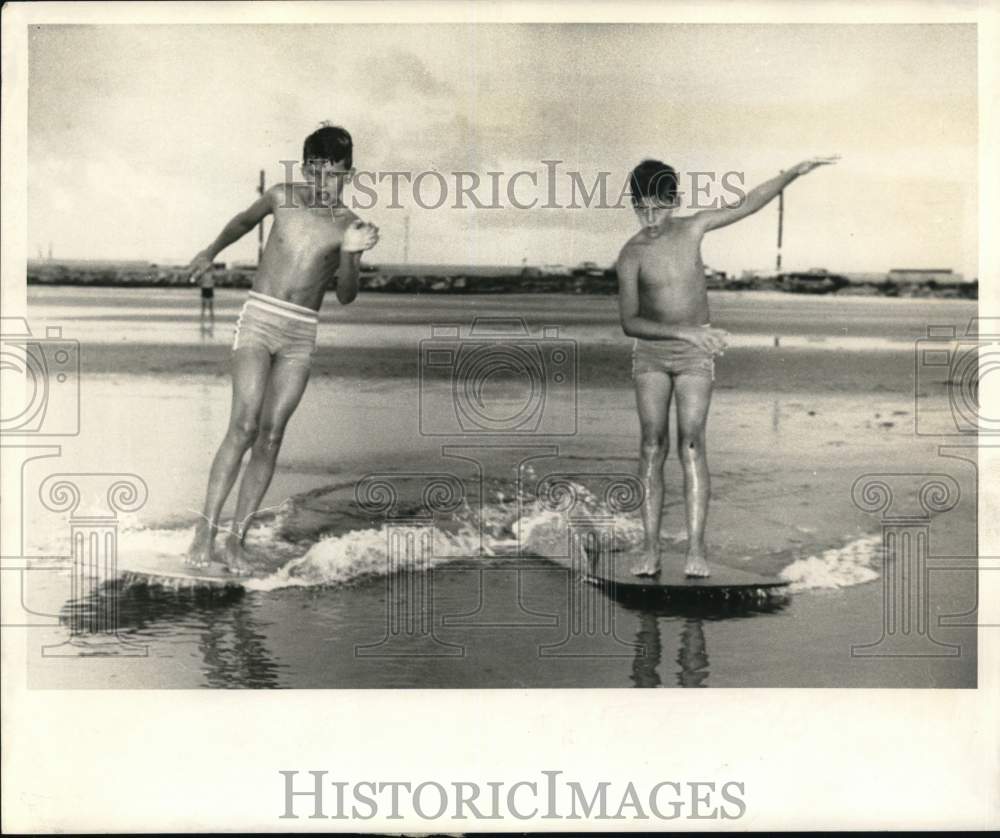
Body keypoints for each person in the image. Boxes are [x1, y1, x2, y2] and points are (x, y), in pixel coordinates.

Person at [616, 156, 837, 577]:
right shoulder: (630, 255)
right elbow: (630, 322)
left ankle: (696, 551)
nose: (651, 216)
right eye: (641, 207)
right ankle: (651, 549)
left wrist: (790, 172)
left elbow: (749, 203)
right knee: (651, 445)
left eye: (659, 206)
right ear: (632, 203)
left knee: (693, 444)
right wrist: (686, 333)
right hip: (652, 355)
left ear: (674, 200)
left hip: (695, 355)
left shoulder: (693, 227)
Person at [185, 123, 379, 572]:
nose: (323, 182)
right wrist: (210, 251)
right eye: (315, 171)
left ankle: (236, 541)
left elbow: (347, 295)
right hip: (258, 320)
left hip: (299, 335)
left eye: (333, 173)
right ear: (305, 168)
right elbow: (242, 222)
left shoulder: (352, 225)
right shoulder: (281, 196)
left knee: (271, 435)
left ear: (350, 173)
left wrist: (351, 253)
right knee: (244, 426)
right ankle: (205, 532)